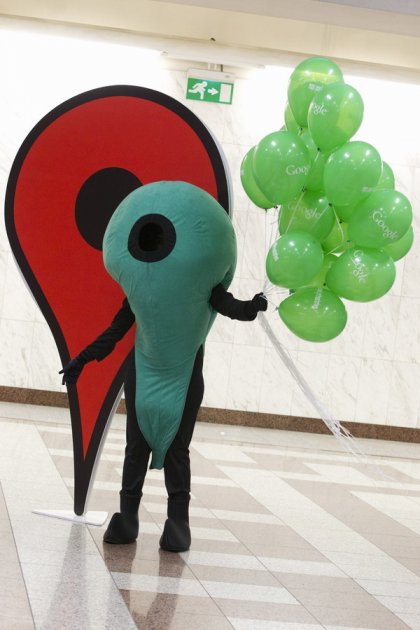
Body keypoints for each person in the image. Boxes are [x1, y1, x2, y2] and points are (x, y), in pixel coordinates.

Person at [60, 285, 267, 551]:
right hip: (144, 374)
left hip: (184, 376)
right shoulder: (143, 284)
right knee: (136, 447)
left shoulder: (201, 283)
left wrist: (252, 306)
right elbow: (116, 330)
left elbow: (231, 307)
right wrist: (83, 358)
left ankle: (178, 521)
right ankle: (128, 516)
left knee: (176, 450)